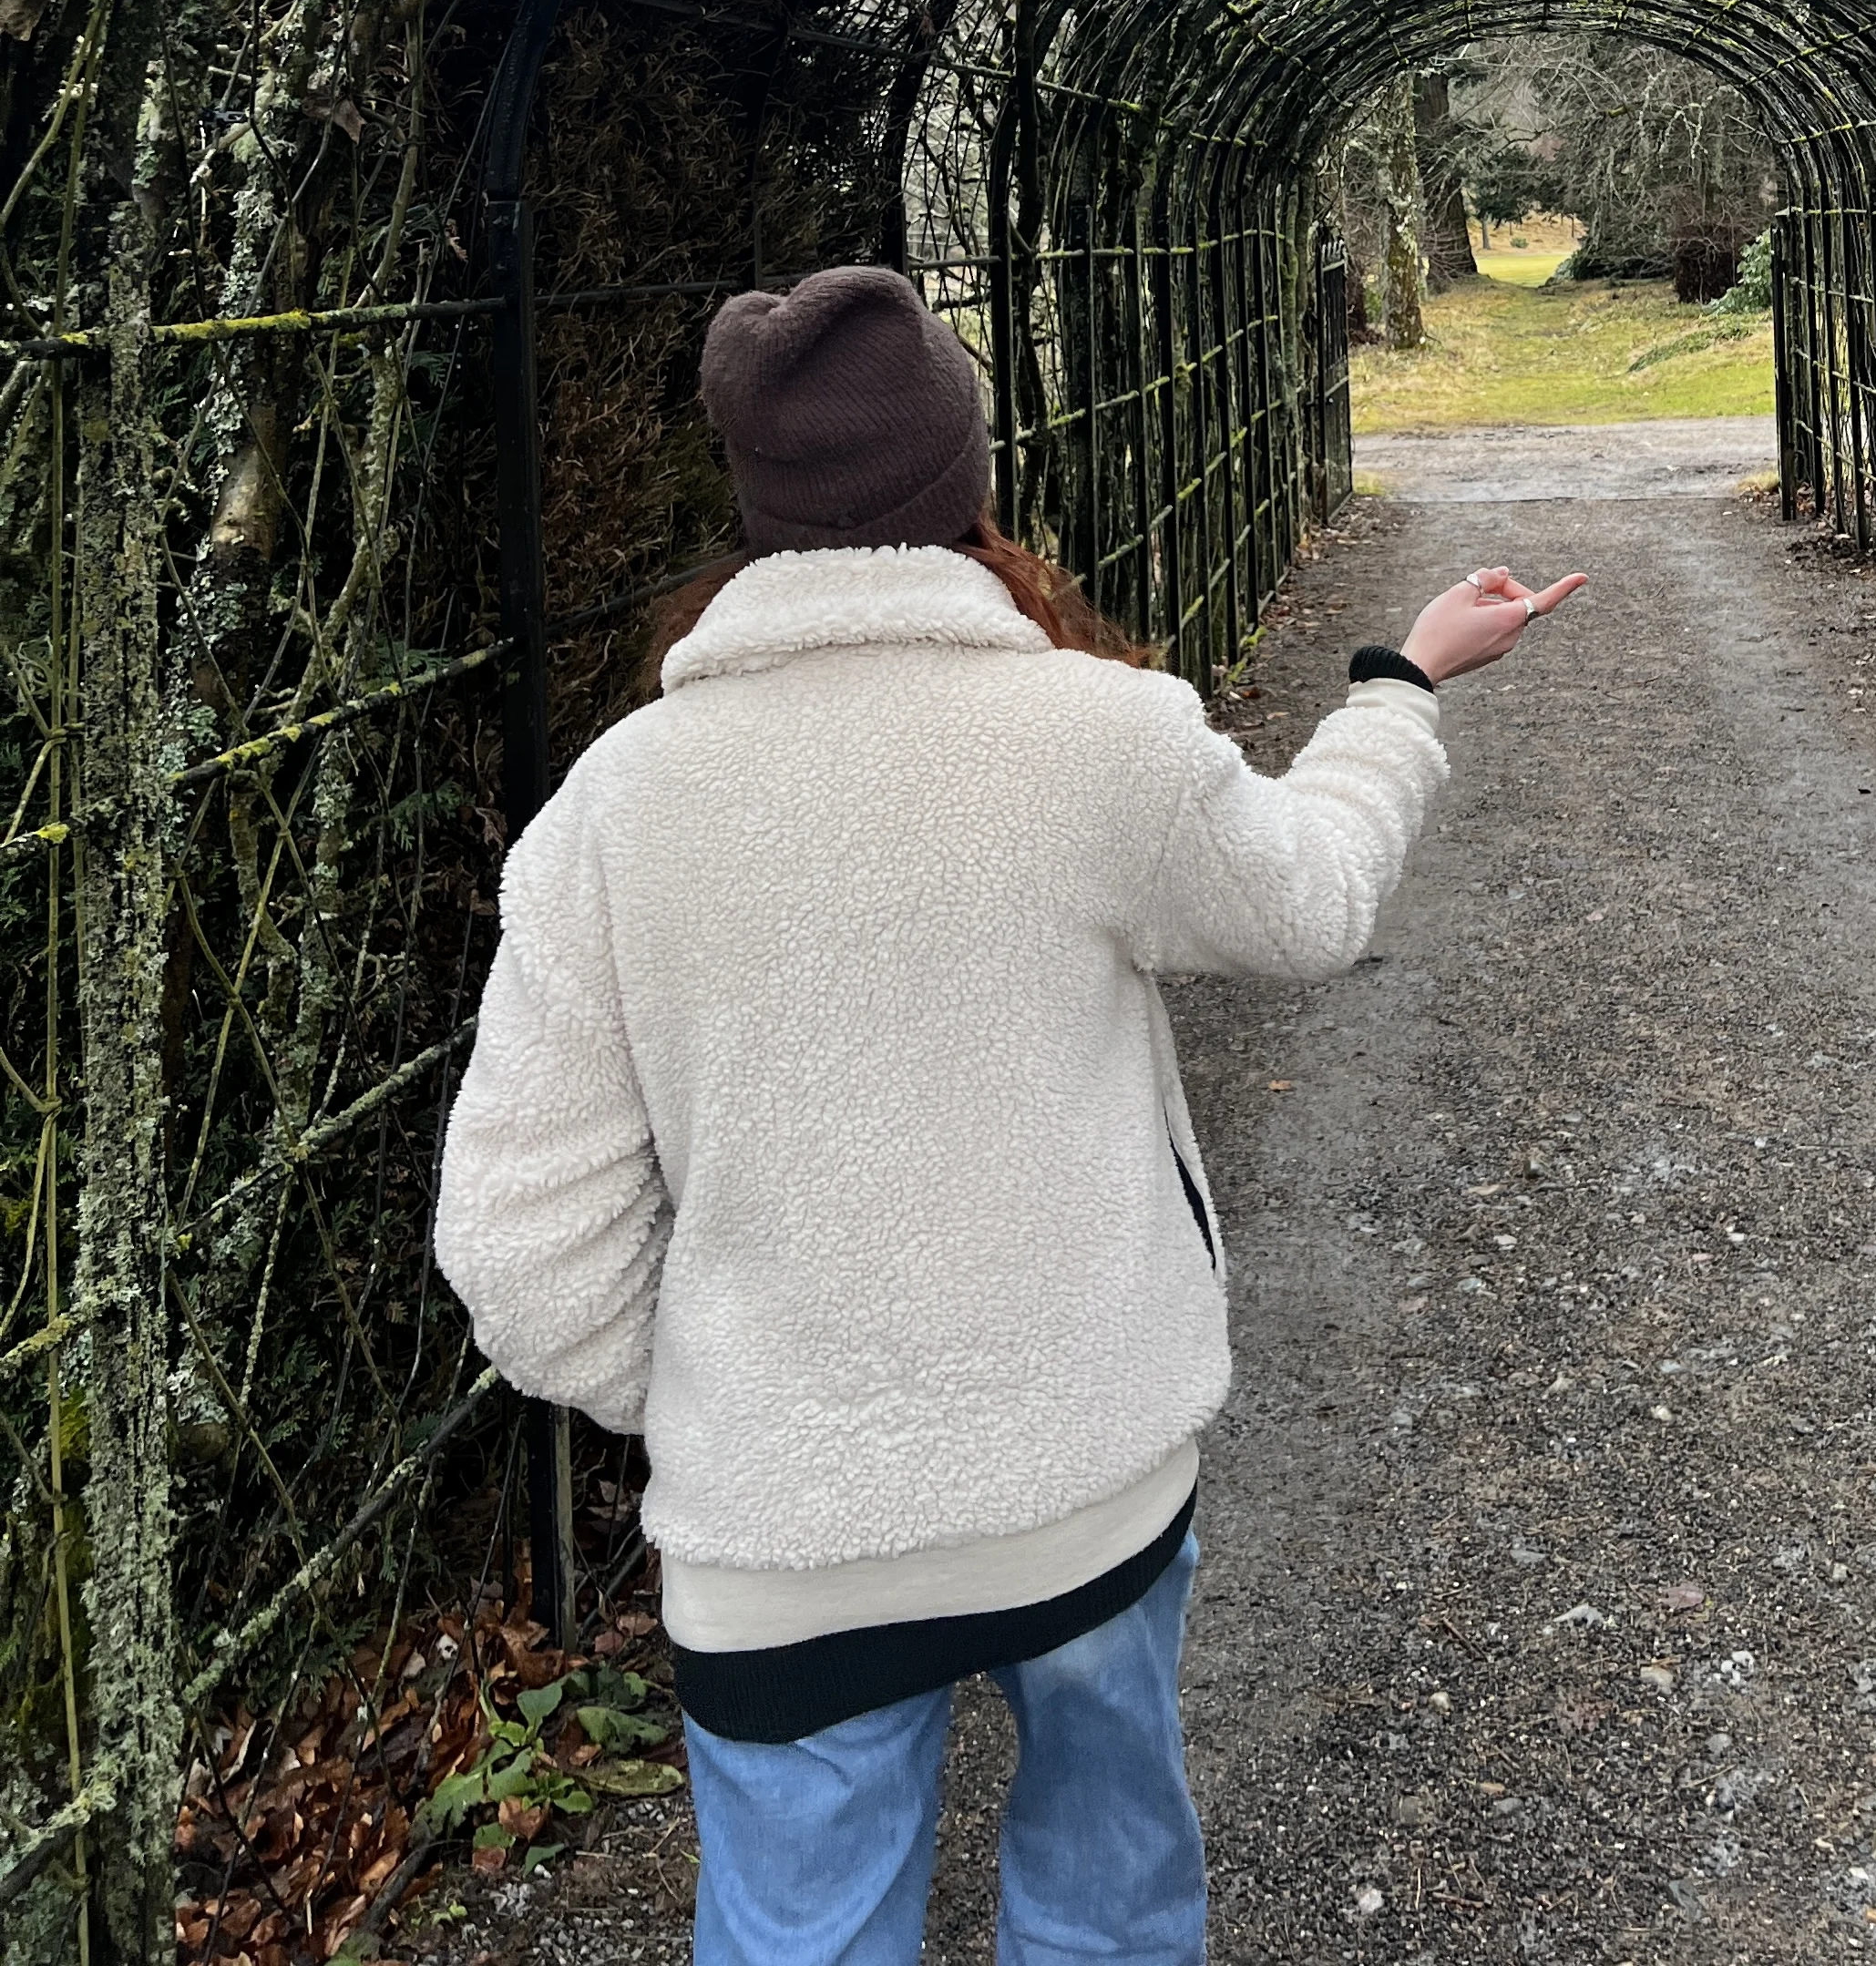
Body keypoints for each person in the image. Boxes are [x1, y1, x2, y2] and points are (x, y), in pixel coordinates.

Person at [434, 262, 1584, 1966]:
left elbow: (517, 1242)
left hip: (779, 1537)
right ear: (966, 478)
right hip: (1086, 1479)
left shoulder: (614, 809)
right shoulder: (1095, 739)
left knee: (799, 1937)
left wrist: (722, 1401)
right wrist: (1396, 685)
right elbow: (1311, 897)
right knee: (1109, 1896)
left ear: (752, 502)